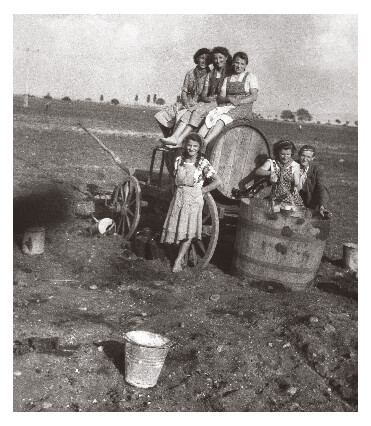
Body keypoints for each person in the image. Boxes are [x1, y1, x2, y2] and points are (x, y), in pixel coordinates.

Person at [161, 133, 222, 272]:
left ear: (199, 148)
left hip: (194, 200)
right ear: (184, 145)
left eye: (195, 146)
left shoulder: (203, 163)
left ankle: (177, 260)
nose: (191, 148)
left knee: (188, 232)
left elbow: (218, 181)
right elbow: (174, 179)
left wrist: (202, 190)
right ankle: (180, 256)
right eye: (189, 145)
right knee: (177, 229)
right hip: (179, 197)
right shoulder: (179, 160)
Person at [161, 46, 232, 147]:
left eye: (220, 58)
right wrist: (206, 98)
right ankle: (175, 136)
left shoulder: (229, 74)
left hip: (220, 102)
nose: (217, 61)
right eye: (215, 58)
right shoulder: (211, 73)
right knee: (191, 110)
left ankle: (180, 139)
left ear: (226, 58)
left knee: (198, 112)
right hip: (209, 101)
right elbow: (204, 93)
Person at [198, 51, 258, 147]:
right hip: (228, 105)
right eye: (237, 63)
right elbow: (221, 97)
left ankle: (205, 142)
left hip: (243, 107)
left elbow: (254, 96)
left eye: (242, 64)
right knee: (210, 117)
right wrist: (228, 99)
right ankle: (197, 141)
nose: (239, 66)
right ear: (233, 63)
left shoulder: (250, 77)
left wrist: (239, 101)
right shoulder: (228, 78)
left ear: (246, 65)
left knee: (222, 119)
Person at [155, 48, 211, 137]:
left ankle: (176, 139)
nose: (204, 61)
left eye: (207, 59)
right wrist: (185, 103)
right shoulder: (190, 73)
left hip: (199, 103)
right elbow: (184, 91)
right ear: (197, 59)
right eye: (202, 58)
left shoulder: (209, 75)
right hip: (185, 101)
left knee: (180, 117)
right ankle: (168, 137)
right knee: (160, 116)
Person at [255, 140, 303, 206]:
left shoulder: (295, 165)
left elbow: (297, 182)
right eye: (282, 154)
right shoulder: (272, 162)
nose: (285, 157)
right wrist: (270, 173)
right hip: (275, 198)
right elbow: (258, 171)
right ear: (277, 152)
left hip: (290, 200)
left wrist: (296, 187)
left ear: (291, 153)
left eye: (288, 154)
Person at [297, 145, 331, 217]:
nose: (305, 159)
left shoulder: (318, 169)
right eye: (303, 155)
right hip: (295, 200)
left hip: (311, 202)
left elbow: (322, 187)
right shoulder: (293, 165)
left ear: (313, 158)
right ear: (299, 155)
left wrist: (322, 206)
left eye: (308, 157)